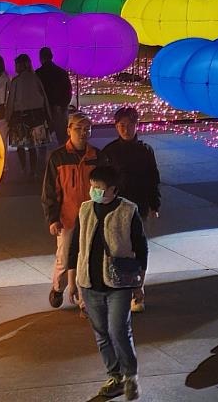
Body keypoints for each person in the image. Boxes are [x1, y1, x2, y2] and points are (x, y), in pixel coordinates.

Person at [67, 165, 147, 401]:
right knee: (101, 332)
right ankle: (115, 377)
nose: (94, 192)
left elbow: (141, 248)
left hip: (119, 283)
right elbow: (75, 248)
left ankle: (130, 376)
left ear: (113, 189)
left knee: (118, 330)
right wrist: (72, 282)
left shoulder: (128, 211)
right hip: (89, 283)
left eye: (99, 188)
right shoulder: (84, 209)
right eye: (92, 187)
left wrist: (139, 282)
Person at [42, 112, 109, 310]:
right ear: (69, 130)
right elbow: (49, 191)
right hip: (67, 218)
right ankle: (58, 287)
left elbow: (105, 187)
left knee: (88, 257)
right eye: (78, 129)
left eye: (87, 129)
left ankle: (84, 298)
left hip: (91, 218)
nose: (83, 133)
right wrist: (52, 218)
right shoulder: (58, 158)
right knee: (64, 258)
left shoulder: (98, 157)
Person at [102, 106, 161, 313]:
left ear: (137, 126)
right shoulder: (109, 152)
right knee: (116, 248)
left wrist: (155, 204)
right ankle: (118, 287)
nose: (125, 130)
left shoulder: (145, 151)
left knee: (138, 249)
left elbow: (153, 179)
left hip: (139, 207)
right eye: (121, 126)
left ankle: (138, 291)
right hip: (116, 208)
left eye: (129, 125)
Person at [5, 54, 51, 180]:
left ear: (20, 65)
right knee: (33, 146)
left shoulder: (16, 81)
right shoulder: (35, 78)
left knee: (20, 144)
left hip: (21, 117)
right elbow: (44, 98)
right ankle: (33, 170)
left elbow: (11, 101)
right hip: (37, 117)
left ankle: (24, 168)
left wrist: (8, 117)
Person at [36, 47, 73, 145]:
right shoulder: (61, 72)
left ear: (41, 58)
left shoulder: (38, 74)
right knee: (62, 139)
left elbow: (37, 93)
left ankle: (42, 160)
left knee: (42, 141)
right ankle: (64, 158)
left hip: (44, 111)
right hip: (59, 109)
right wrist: (63, 105)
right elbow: (68, 91)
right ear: (51, 57)